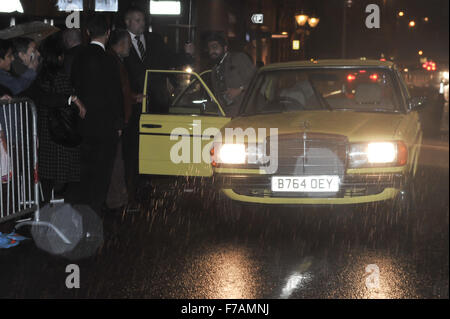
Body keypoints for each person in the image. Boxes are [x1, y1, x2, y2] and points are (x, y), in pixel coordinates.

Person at [69, 15, 124, 213]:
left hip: (84, 123)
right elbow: (115, 94)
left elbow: (71, 84)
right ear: (108, 33)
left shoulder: (78, 56)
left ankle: (82, 209)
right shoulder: (108, 60)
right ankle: (95, 211)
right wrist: (119, 123)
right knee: (103, 171)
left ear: (88, 32)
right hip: (106, 125)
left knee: (86, 170)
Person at [122, 6, 176, 208]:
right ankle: (132, 189)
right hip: (133, 105)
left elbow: (168, 59)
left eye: (143, 20)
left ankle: (146, 186)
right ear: (127, 22)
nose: (141, 24)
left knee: (151, 146)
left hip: (155, 101)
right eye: (137, 20)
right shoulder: (120, 42)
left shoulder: (154, 40)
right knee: (132, 149)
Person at [23, 34, 86, 203]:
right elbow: (59, 99)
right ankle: (53, 211)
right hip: (59, 133)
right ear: (59, 56)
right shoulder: (59, 76)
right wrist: (72, 99)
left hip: (44, 131)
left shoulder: (39, 76)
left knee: (47, 178)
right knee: (60, 178)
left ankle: (46, 208)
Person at [105, 29, 143, 211]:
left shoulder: (117, 60)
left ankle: (119, 198)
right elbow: (117, 92)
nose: (130, 47)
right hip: (116, 120)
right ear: (121, 44)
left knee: (118, 161)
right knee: (117, 162)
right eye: (128, 43)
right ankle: (117, 200)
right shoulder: (115, 62)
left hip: (119, 118)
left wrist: (133, 97)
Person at [206, 32, 256, 117]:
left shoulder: (238, 58)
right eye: (209, 48)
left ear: (225, 48)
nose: (211, 51)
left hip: (246, 113)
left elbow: (256, 79)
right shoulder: (214, 70)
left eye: (215, 47)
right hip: (227, 114)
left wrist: (240, 89)